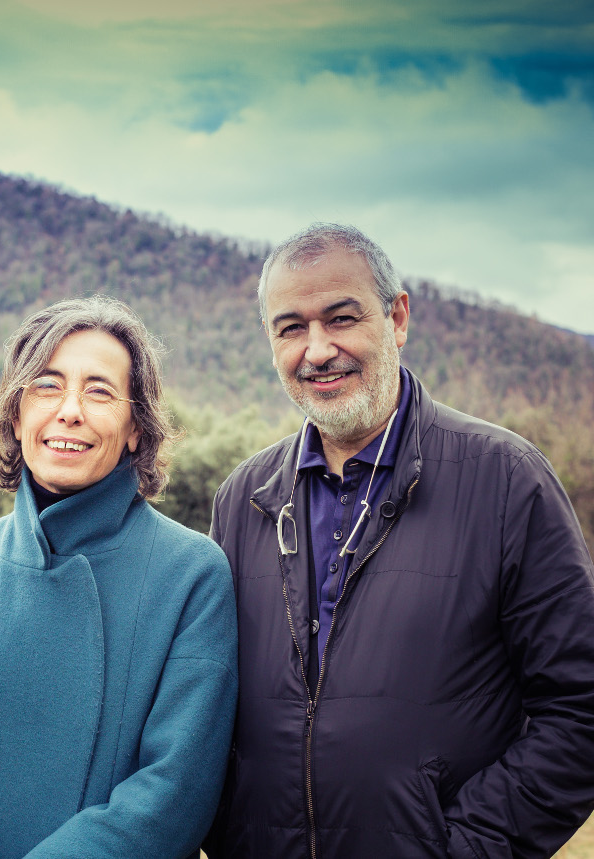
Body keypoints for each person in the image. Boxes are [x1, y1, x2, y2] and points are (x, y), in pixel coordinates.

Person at [205, 222, 594, 858]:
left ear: (398, 317)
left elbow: (579, 710)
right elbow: (211, 713)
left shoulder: (504, 479)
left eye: (341, 318)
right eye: (291, 328)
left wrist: (462, 850)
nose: (318, 349)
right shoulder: (243, 498)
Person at [0, 295, 237, 858]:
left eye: (99, 391)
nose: (70, 410)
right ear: (16, 417)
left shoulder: (191, 574)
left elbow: (174, 790)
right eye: (46, 385)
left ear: (137, 427)